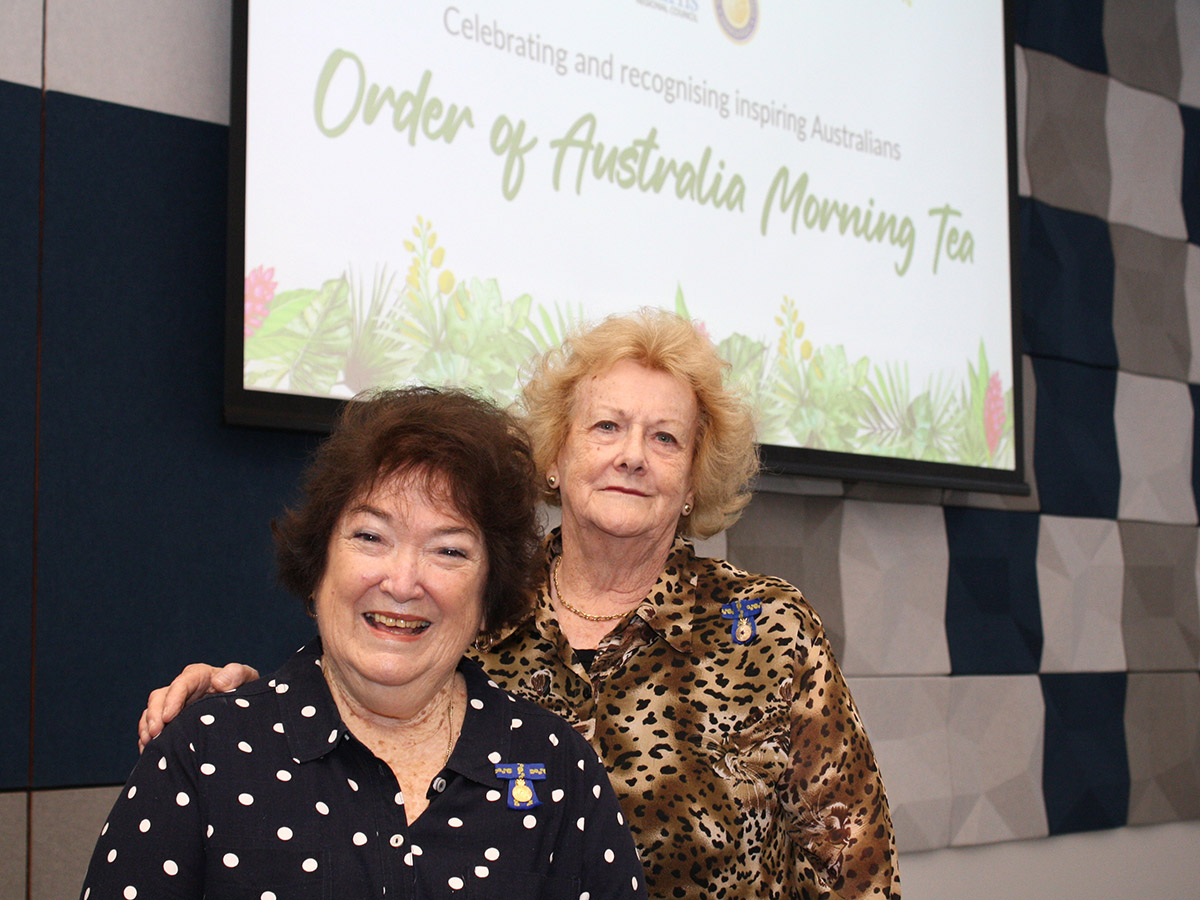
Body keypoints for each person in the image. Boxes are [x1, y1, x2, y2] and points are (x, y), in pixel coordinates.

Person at [140, 310, 901, 899]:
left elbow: (853, 861)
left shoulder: (766, 629)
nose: (632, 454)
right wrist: (244, 699)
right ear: (557, 454)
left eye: (666, 438)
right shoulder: (470, 598)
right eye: (606, 426)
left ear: (695, 477)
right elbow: (357, 695)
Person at [86, 387, 647, 900]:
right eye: (371, 537)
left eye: (449, 550)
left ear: (487, 598)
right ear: (319, 566)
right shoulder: (204, 758)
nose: (402, 582)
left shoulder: (557, 768)